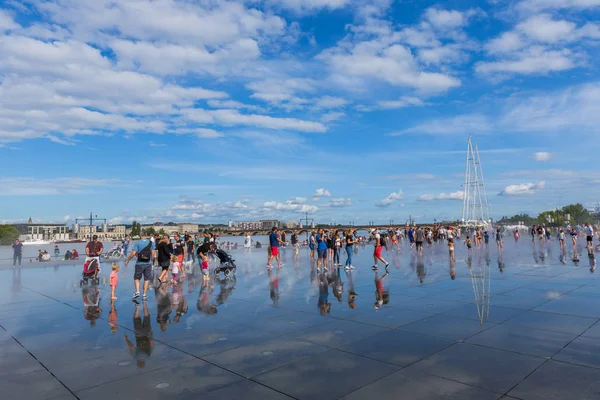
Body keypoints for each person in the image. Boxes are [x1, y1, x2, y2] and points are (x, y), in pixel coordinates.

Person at [125, 231, 155, 300]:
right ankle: (144, 294)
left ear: (140, 235)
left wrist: (128, 260)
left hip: (139, 263)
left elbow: (133, 253)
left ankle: (137, 292)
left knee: (137, 278)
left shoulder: (137, 243)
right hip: (148, 263)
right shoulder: (151, 243)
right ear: (146, 235)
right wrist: (152, 261)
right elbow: (153, 253)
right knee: (147, 279)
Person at [124, 301, 154, 368]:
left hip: (147, 333)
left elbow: (151, 343)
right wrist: (126, 339)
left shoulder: (148, 355)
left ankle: (145, 302)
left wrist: (151, 334)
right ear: (138, 363)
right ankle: (137, 307)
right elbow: (131, 347)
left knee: (146, 316)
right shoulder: (136, 356)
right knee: (136, 319)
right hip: (138, 334)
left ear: (143, 362)